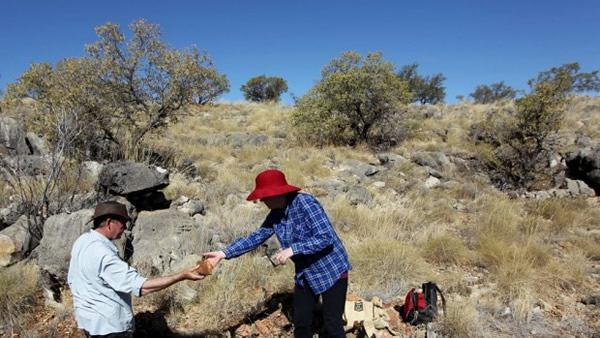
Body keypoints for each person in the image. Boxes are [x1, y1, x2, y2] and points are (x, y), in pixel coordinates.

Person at [204, 169, 351, 338]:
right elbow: (256, 237)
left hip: (331, 270)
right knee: (301, 323)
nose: (261, 200)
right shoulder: (276, 214)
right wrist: (224, 253)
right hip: (306, 273)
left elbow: (325, 237)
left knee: (333, 324)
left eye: (264, 196)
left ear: (276, 194)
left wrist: (294, 249)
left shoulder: (306, 203)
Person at [67, 201, 205, 338]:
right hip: (109, 327)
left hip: (89, 322)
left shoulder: (82, 241)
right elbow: (142, 288)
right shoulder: (102, 253)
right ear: (109, 223)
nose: (125, 228)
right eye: (123, 223)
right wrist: (180, 276)